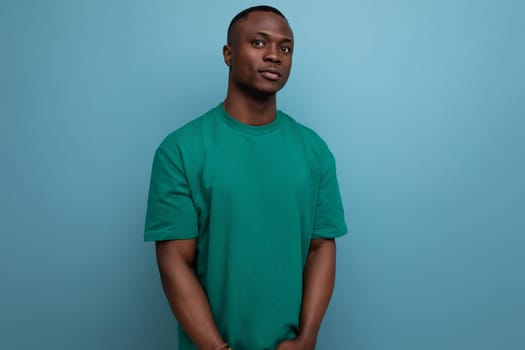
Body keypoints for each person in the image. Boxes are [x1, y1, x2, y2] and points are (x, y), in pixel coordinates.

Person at [144, 5, 347, 350]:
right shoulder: (181, 149)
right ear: (228, 54)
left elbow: (321, 247)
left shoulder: (314, 151)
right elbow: (174, 261)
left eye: (285, 48)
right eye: (258, 43)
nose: (274, 56)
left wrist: (308, 338)